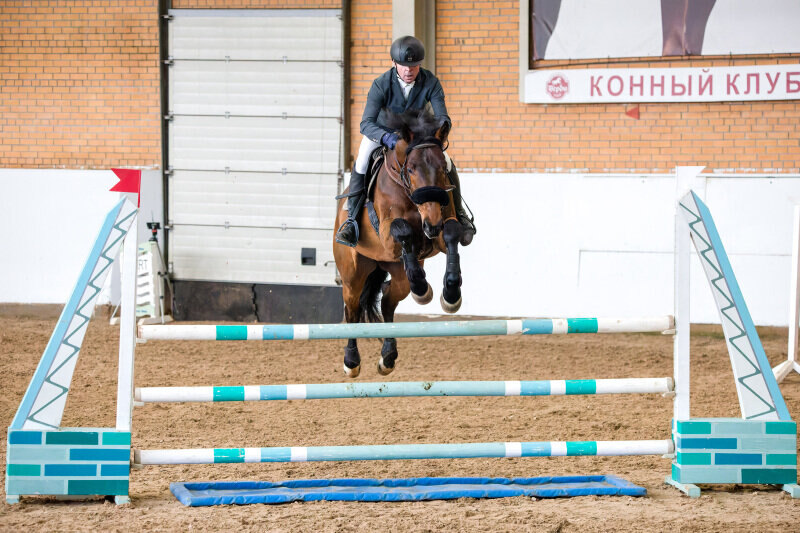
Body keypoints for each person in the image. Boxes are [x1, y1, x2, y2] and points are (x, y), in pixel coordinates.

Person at [335, 35, 476, 248]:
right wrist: (387, 137)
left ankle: (461, 214)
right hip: (383, 134)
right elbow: (366, 123)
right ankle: (351, 220)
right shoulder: (381, 84)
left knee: (446, 162)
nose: (409, 70)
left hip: (417, 137)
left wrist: (438, 132)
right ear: (394, 64)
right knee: (363, 160)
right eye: (403, 66)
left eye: (414, 66)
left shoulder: (431, 82)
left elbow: (442, 116)